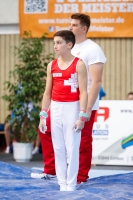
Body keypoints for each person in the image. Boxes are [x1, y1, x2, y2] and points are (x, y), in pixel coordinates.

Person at [31, 13, 106, 184]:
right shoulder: (66, 48)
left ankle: (80, 177)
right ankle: (51, 170)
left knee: (82, 142)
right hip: (60, 102)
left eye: (74, 25)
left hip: (81, 103)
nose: (70, 27)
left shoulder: (93, 49)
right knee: (46, 130)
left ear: (84, 28)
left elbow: (96, 82)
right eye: (70, 24)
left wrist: (86, 110)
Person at [39, 30, 88, 191]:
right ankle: (62, 183)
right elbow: (47, 92)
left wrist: (82, 116)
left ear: (69, 45)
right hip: (56, 106)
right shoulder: (51, 65)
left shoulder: (79, 64)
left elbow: (84, 92)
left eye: (59, 42)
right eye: (54, 43)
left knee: (72, 147)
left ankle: (71, 184)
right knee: (58, 147)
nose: (55, 46)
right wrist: (43, 115)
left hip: (73, 107)